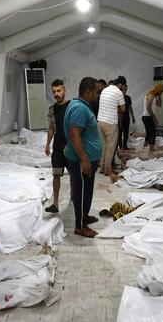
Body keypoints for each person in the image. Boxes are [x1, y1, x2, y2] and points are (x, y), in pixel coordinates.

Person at [64, 77, 103, 238]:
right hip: (81, 161)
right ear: (88, 92)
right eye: (96, 92)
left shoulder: (81, 106)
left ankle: (84, 216)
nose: (98, 95)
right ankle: (80, 226)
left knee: (86, 191)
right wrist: (85, 160)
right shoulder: (79, 109)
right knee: (80, 193)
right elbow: (74, 134)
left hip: (86, 159)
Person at [43, 79, 70, 214]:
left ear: (64, 90)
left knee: (73, 175)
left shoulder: (71, 106)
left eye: (59, 91)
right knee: (56, 175)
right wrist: (47, 144)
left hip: (71, 146)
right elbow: (51, 127)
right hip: (58, 147)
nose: (56, 94)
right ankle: (55, 203)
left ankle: (73, 199)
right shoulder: (52, 109)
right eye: (54, 91)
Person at [97, 76, 126, 175]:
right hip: (110, 123)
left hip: (100, 121)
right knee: (110, 147)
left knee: (104, 146)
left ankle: (102, 167)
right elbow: (123, 109)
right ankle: (107, 169)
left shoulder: (105, 90)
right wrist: (116, 108)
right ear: (121, 85)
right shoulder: (118, 92)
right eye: (123, 86)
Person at [142, 83, 163, 152]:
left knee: (149, 133)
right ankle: (151, 150)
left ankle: (144, 148)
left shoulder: (154, 96)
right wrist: (154, 118)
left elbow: (159, 105)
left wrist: (159, 96)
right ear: (157, 90)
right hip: (147, 117)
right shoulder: (151, 95)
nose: (161, 93)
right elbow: (148, 108)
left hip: (147, 117)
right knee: (153, 133)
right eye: (160, 91)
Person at [118, 80, 135, 150]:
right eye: (124, 89)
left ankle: (125, 146)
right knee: (120, 132)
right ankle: (120, 146)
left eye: (126, 89)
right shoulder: (118, 97)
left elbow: (130, 107)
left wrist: (133, 116)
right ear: (121, 89)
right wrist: (119, 119)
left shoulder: (128, 98)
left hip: (127, 117)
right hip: (120, 117)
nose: (125, 91)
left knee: (126, 132)